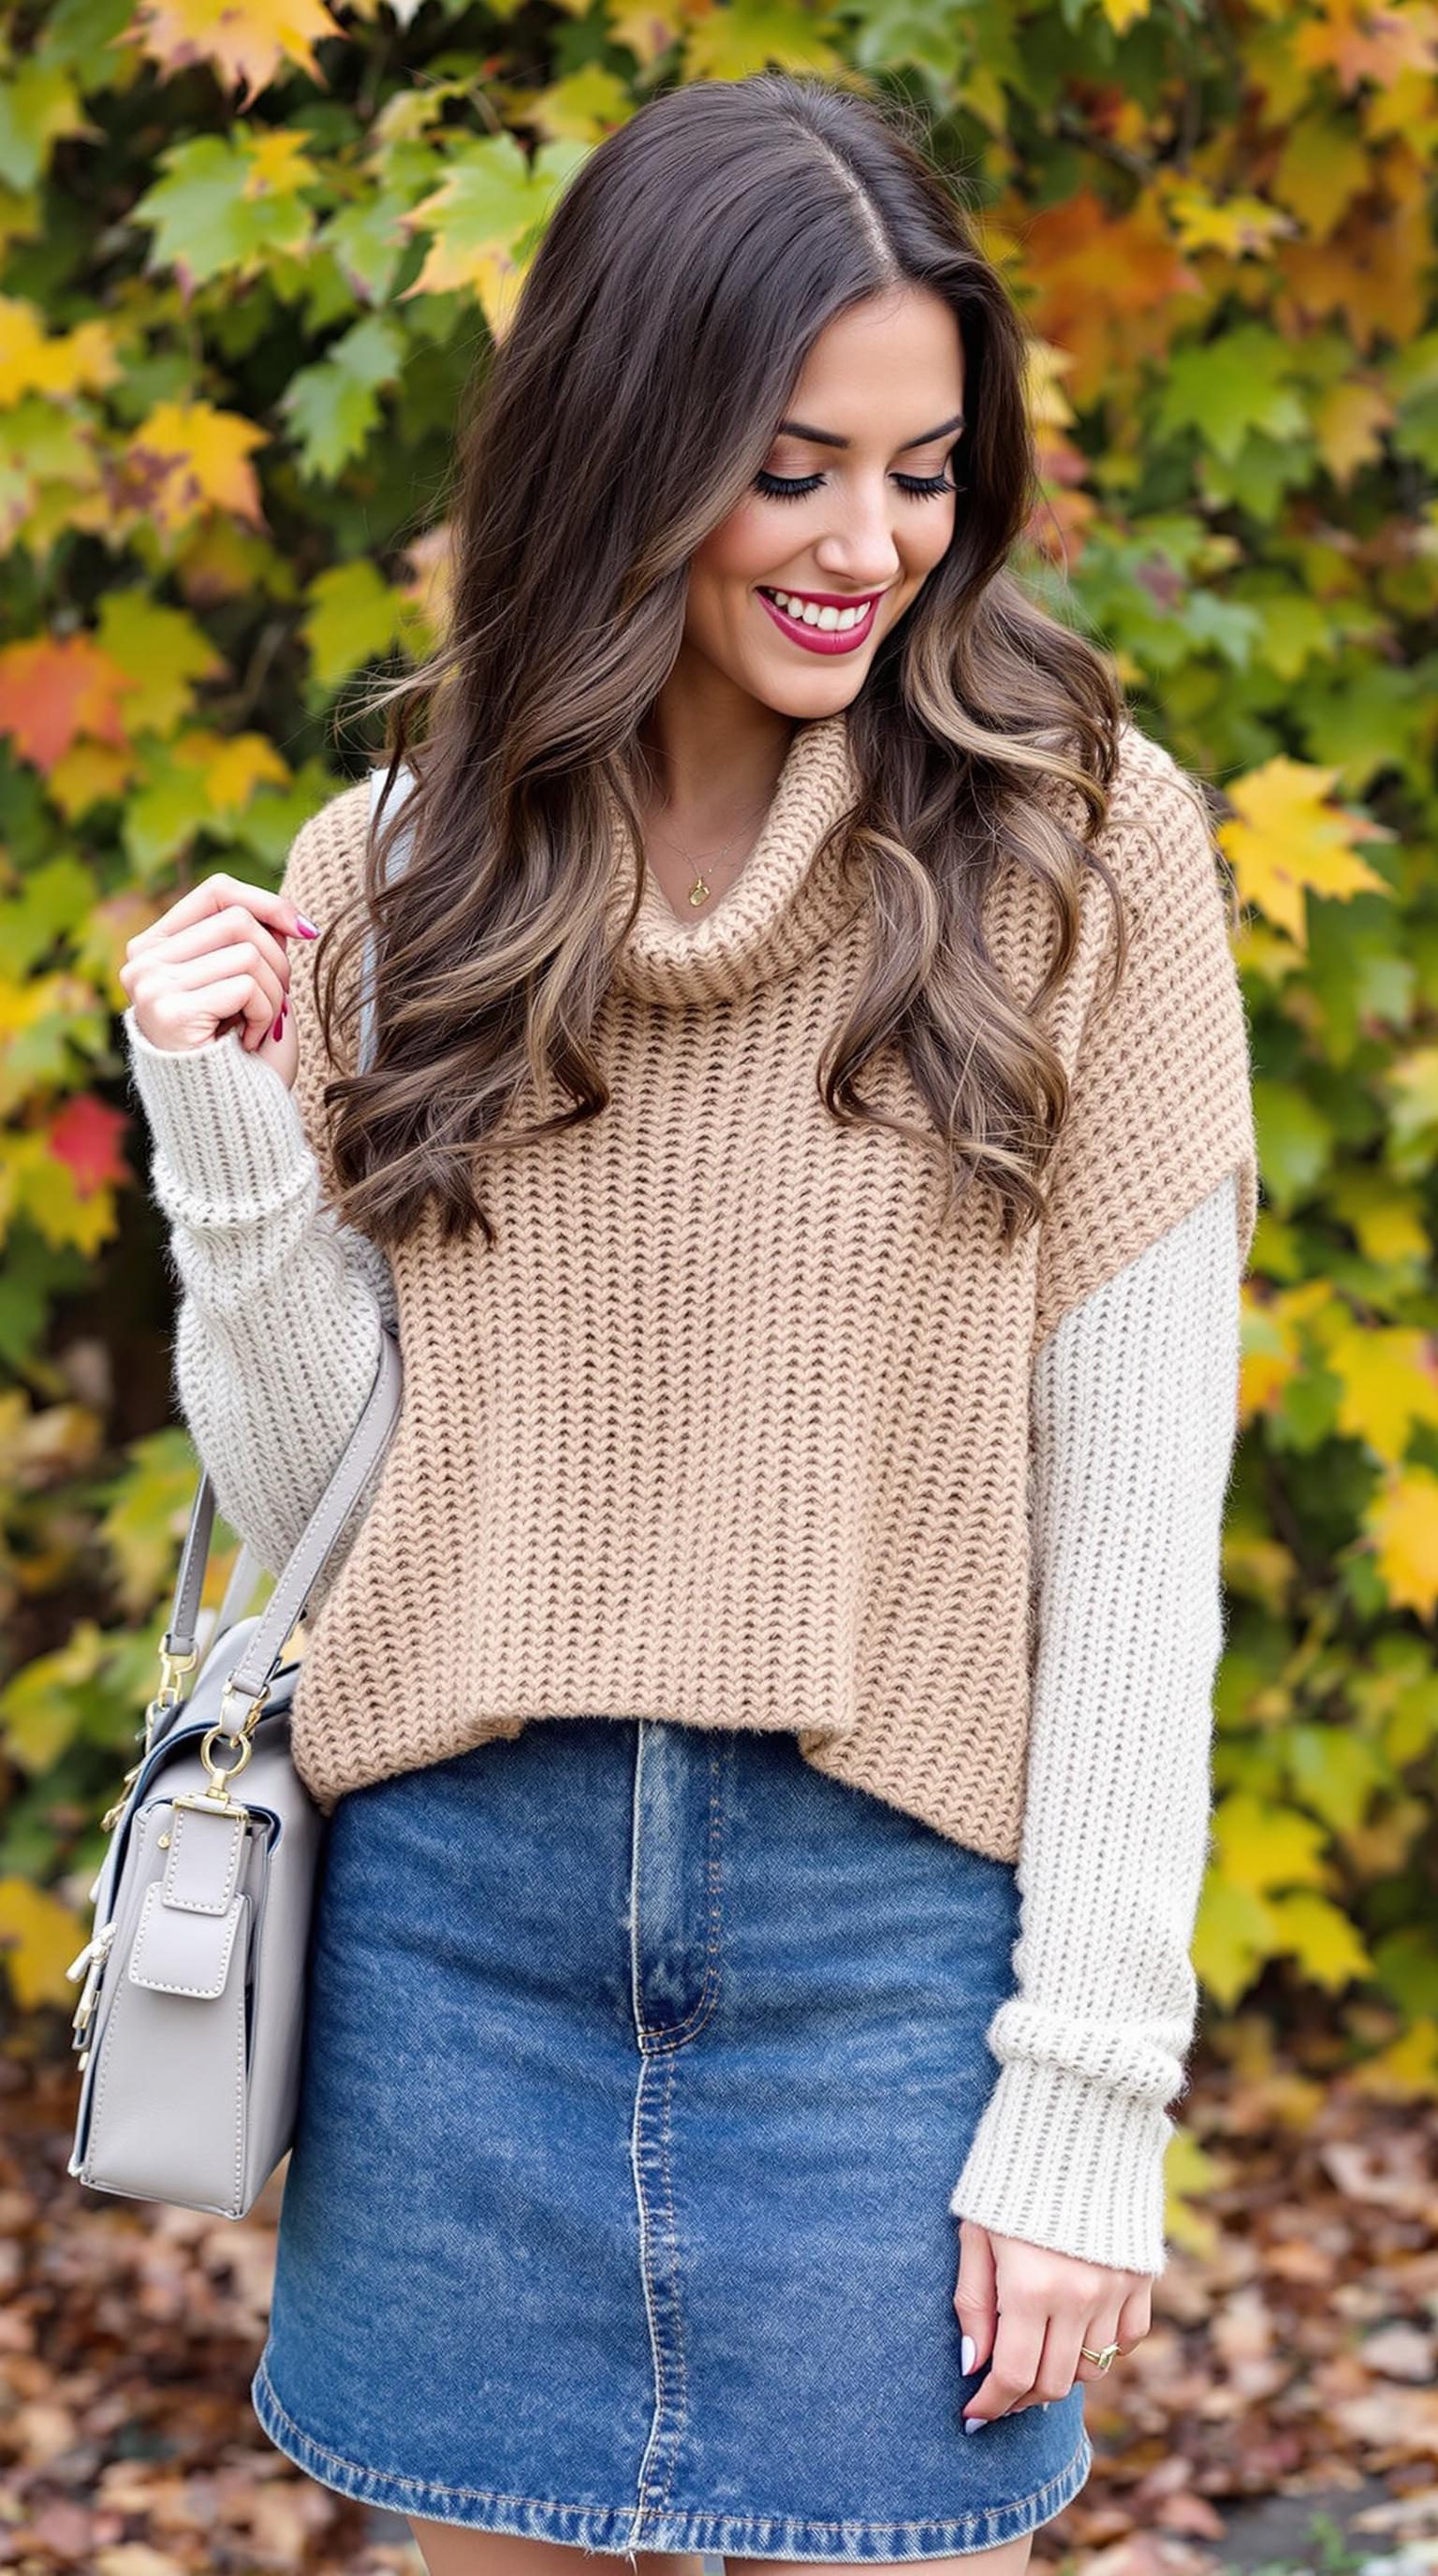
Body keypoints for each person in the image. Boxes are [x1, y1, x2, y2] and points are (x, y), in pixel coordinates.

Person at [118, 68, 1258, 2576]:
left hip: (888, 1963)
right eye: (795, 466)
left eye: (926, 470)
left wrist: (1090, 2087)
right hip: (460, 1949)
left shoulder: (1086, 856)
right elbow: (324, 1506)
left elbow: (1141, 1544)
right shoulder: (396, 876)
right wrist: (225, 1141)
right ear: (627, 446)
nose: (875, 543)